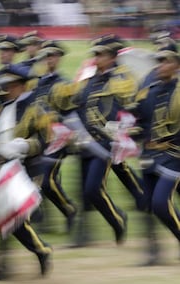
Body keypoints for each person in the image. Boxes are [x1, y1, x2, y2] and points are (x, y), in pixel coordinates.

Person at [51, 34, 135, 246]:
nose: (96, 59)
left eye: (101, 55)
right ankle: (83, 236)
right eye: (95, 55)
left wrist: (119, 131)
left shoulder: (121, 80)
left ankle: (117, 219)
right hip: (84, 144)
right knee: (83, 192)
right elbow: (74, 104)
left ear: (112, 56)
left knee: (93, 189)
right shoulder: (88, 81)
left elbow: (127, 109)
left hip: (104, 145)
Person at [0, 65, 53, 281]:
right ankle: (5, 264)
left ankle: (38, 252)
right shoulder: (1, 110)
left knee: (15, 220)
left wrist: (25, 146)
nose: (4, 89)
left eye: (9, 85)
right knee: (2, 217)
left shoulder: (36, 109)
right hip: (1, 169)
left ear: (19, 86)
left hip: (28, 170)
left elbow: (45, 142)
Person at [133, 42, 180, 265]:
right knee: (149, 205)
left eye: (166, 60)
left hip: (175, 156)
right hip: (149, 157)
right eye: (158, 61)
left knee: (161, 203)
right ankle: (153, 253)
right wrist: (125, 130)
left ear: (176, 65)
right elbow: (141, 124)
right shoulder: (148, 92)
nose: (160, 65)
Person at [32, 40, 77, 233]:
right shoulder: (37, 83)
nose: (49, 59)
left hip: (58, 140)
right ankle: (61, 212)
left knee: (46, 181)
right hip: (39, 139)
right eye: (46, 56)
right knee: (44, 182)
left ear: (59, 58)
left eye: (53, 56)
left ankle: (69, 209)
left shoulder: (65, 84)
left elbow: (72, 113)